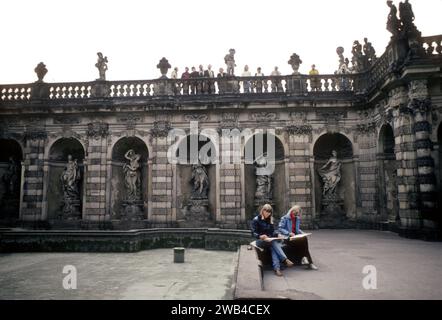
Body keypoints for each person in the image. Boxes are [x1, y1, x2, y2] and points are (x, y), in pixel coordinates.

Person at [251, 204, 294, 276]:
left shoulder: (270, 219)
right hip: (260, 241)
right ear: (263, 211)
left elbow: (272, 231)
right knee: (273, 242)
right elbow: (253, 233)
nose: (268, 213)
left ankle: (277, 269)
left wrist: (277, 235)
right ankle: (285, 259)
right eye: (266, 211)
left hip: (269, 241)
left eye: (269, 212)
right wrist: (260, 236)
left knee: (273, 247)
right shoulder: (256, 219)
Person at [278, 205, 318, 270]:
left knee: (304, 238)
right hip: (287, 238)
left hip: (295, 238)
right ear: (292, 211)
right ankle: (309, 262)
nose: (296, 215)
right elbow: (280, 228)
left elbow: (297, 229)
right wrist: (289, 233)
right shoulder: (284, 218)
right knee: (303, 241)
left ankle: (307, 260)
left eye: (297, 214)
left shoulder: (297, 219)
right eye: (295, 213)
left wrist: (303, 233)